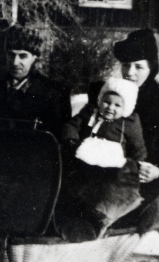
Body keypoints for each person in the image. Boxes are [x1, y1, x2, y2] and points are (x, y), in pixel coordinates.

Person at [103, 29, 159, 233]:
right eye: (125, 65)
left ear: (151, 67)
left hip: (146, 180)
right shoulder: (110, 95)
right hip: (108, 174)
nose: (130, 73)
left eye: (138, 67)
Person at [55, 78, 146, 241]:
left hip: (110, 166)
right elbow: (72, 125)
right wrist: (71, 140)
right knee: (74, 188)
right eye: (107, 102)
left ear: (126, 107)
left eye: (117, 105)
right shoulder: (91, 112)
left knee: (102, 193)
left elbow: (138, 146)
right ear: (100, 99)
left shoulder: (129, 122)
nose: (110, 108)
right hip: (84, 159)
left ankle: (92, 223)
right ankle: (68, 219)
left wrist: (139, 164)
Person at [0, 24, 72, 135]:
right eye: (11, 55)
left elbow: (59, 140)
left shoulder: (55, 93)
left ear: (34, 58)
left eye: (23, 56)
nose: (15, 62)